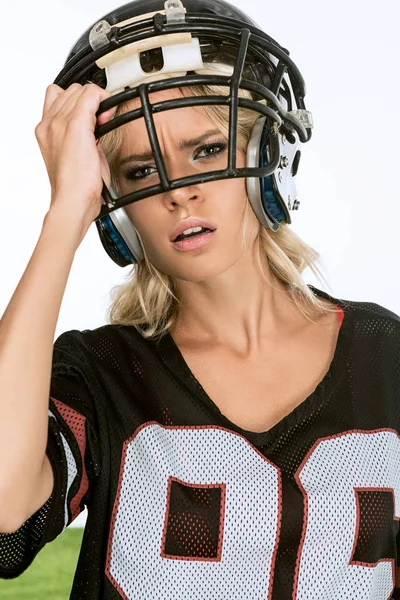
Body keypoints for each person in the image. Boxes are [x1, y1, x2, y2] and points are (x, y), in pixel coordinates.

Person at [1, 0, 400, 598]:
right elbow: (4, 510)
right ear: (115, 205)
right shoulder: (102, 372)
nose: (178, 194)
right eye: (139, 172)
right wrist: (65, 214)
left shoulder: (385, 356)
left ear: (265, 155)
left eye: (207, 150)